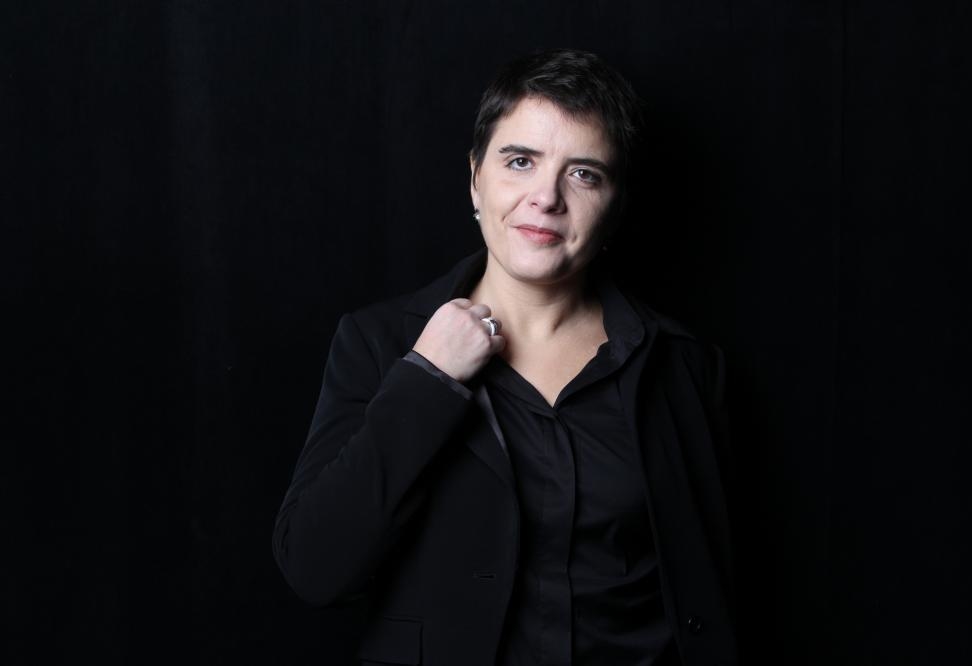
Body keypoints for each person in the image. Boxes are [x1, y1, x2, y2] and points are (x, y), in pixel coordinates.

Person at [273, 49, 737, 666]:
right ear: (475, 177)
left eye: (584, 174)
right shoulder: (377, 343)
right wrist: (428, 378)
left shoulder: (682, 365)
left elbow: (713, 590)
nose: (546, 197)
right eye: (521, 161)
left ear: (616, 203)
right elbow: (315, 568)